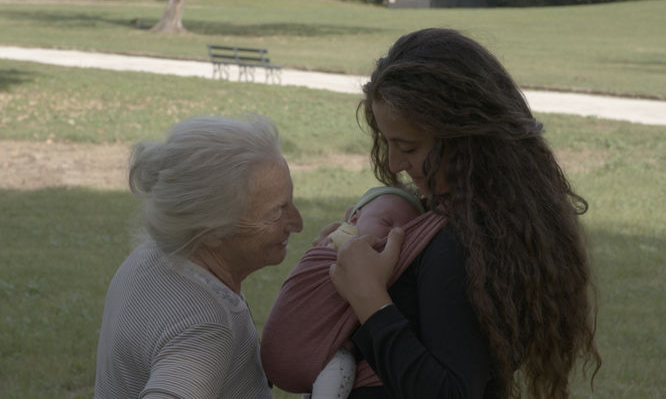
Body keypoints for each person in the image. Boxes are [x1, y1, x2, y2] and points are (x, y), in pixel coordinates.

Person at [268, 28, 602, 399]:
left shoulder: (459, 244)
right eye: (387, 143)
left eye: (408, 147)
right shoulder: (490, 225)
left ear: (464, 138)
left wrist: (369, 297)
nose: (394, 163)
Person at [94, 116, 303, 398]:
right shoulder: (205, 330)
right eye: (276, 212)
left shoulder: (151, 256)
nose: (297, 223)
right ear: (212, 230)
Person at [308, 186, 425, 399]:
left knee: (340, 365)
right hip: (315, 341)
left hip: (342, 353)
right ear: (353, 219)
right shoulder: (335, 248)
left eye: (405, 233)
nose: (395, 233)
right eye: (386, 223)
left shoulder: (395, 273)